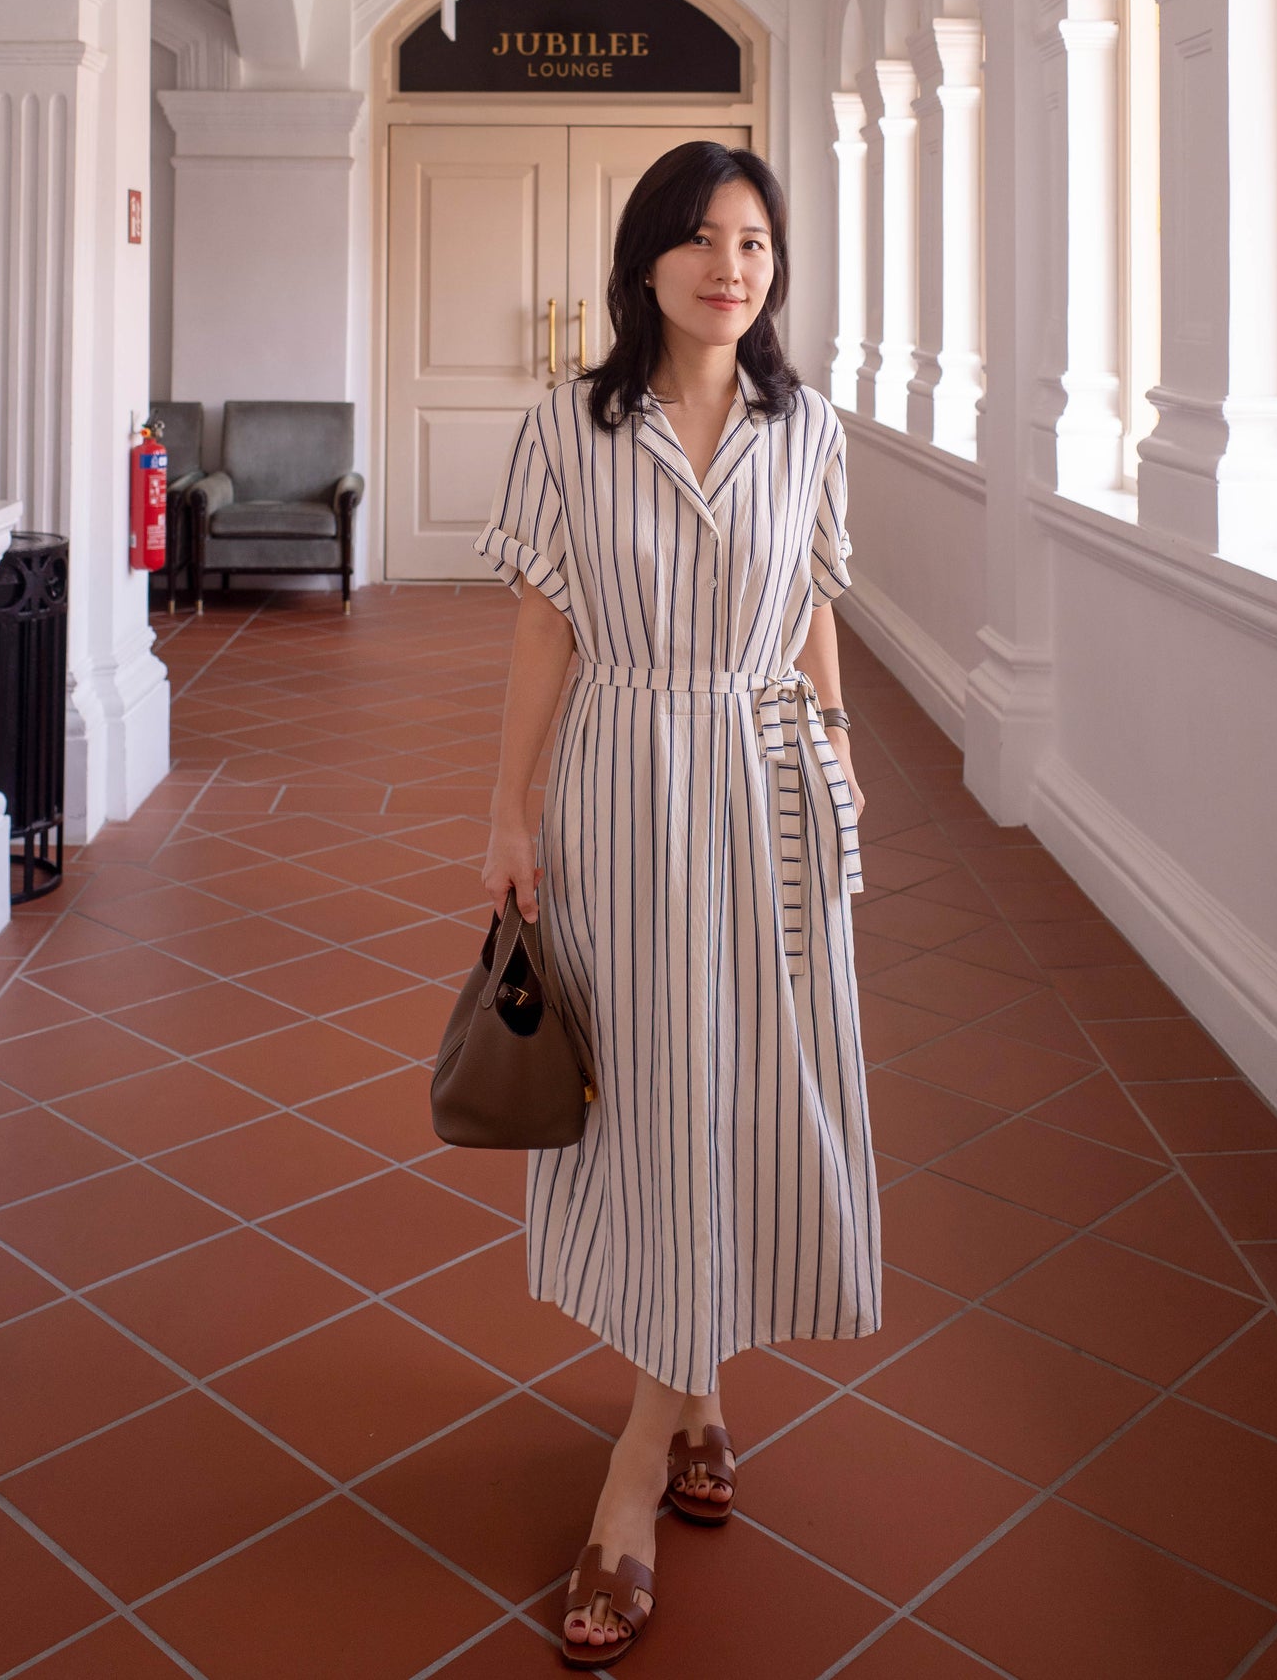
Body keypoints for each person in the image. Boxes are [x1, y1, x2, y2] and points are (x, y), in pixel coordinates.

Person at [472, 141, 881, 1667]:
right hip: (625, 790)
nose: (732, 265)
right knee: (654, 1100)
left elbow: (814, 602)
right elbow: (542, 630)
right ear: (646, 261)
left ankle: (648, 1449)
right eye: (703, 239)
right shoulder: (573, 430)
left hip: (770, 788)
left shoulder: (809, 427)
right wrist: (507, 811)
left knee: (751, 1098)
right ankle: (675, 1423)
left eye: (756, 242)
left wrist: (837, 761)